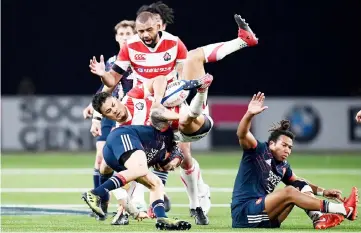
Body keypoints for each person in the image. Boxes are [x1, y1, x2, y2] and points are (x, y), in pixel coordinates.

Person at [231, 92, 358, 229]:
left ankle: (318, 218)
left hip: (266, 217)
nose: (287, 150)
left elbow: (300, 182)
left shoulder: (283, 166)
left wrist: (323, 191)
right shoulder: (258, 151)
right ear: (272, 144)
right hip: (244, 213)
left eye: (290, 147)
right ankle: (343, 209)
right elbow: (242, 134)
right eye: (284, 145)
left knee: (298, 184)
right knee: (289, 191)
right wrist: (249, 115)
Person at [82, 124, 192, 231]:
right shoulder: (163, 142)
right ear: (173, 153)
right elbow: (162, 120)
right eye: (177, 164)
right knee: (141, 170)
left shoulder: (146, 160)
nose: (173, 169)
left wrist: (133, 211)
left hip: (113, 153)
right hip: (123, 135)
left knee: (156, 183)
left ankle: (162, 218)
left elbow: (126, 184)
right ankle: (96, 193)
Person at [82, 19, 137, 222]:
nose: (124, 37)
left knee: (126, 163)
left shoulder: (142, 59)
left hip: (130, 115)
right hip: (110, 114)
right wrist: (95, 112)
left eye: (128, 33)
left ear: (136, 35)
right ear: (116, 37)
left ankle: (125, 208)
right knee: (100, 158)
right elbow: (107, 88)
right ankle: (101, 200)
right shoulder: (113, 61)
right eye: (121, 34)